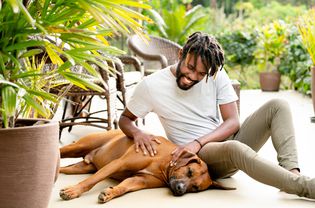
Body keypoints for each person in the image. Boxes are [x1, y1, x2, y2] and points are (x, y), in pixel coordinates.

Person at [119, 32, 315, 199]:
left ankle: (291, 175)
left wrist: (199, 140)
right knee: (233, 147)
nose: (193, 77)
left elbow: (233, 121)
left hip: (222, 143)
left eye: (200, 74)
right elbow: (125, 119)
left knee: (277, 105)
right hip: (198, 159)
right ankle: (305, 187)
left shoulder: (215, 73)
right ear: (181, 54)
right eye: (190, 67)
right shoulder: (151, 86)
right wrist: (137, 133)